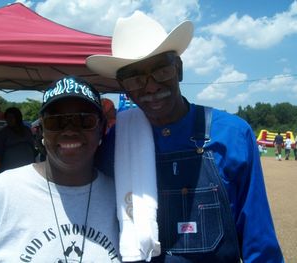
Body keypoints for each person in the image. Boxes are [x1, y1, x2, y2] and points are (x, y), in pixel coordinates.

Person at [86, 11, 284, 262]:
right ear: (124, 87)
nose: (150, 86)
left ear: (178, 69)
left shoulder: (233, 135)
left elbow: (259, 242)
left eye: (161, 70)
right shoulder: (116, 142)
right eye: (134, 78)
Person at [0, 76, 121, 262]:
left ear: (102, 128)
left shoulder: (122, 198)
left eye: (85, 120)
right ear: (42, 130)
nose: (70, 130)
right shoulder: (0, 193)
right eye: (56, 121)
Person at [0, 107, 36, 172]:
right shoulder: (3, 133)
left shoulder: (27, 130)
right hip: (10, 169)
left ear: (18, 118)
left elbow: (32, 147)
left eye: (11, 117)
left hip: (28, 168)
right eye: (7, 118)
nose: (9, 120)